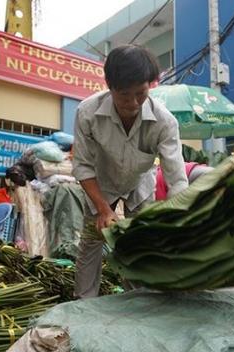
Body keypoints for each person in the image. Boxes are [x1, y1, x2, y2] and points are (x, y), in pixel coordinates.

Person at [72, 44, 188, 298]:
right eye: (124, 95)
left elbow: (176, 177)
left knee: (138, 247)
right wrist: (104, 209)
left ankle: (138, 302)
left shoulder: (165, 122)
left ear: (150, 86)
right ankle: (82, 303)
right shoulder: (87, 113)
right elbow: (82, 165)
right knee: (91, 243)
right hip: (100, 185)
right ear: (109, 86)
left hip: (139, 186)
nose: (133, 103)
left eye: (141, 93)